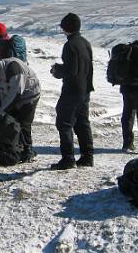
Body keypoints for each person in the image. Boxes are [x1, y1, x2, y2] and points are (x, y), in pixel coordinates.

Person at [50, 13, 94, 170]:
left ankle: (68, 159)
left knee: (64, 123)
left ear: (66, 27)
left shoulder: (70, 45)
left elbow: (71, 70)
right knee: (82, 123)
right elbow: (87, 68)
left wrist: (57, 70)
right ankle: (87, 156)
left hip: (72, 90)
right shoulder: (85, 42)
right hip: (85, 90)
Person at [0, 58, 41, 162]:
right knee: (11, 122)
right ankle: (13, 147)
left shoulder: (13, 69)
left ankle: (27, 150)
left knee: (24, 123)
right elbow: (4, 94)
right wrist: (2, 111)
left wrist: (3, 111)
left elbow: (16, 94)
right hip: (15, 95)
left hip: (29, 95)